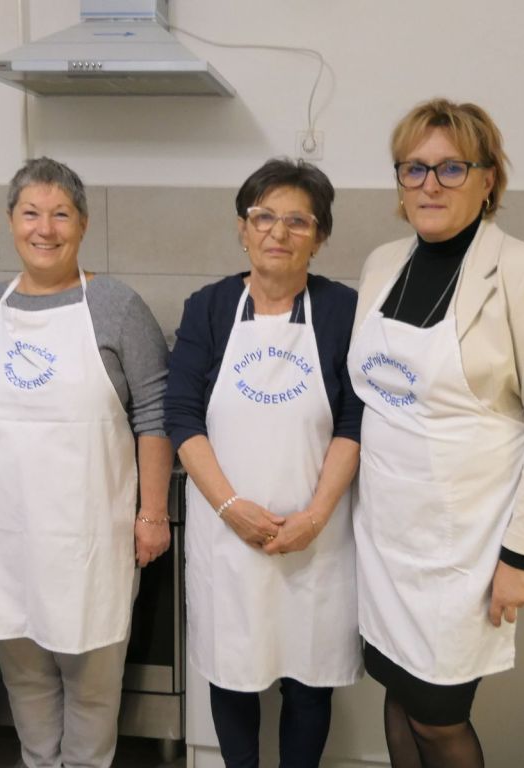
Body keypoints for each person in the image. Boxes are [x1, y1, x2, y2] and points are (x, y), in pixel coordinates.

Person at [348, 98, 524, 768]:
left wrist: (522, 559)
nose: (430, 184)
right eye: (414, 168)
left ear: (488, 180)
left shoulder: (523, 271)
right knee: (397, 690)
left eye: (451, 168)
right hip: (386, 535)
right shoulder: (382, 263)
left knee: (438, 717)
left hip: (465, 549)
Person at [0, 156, 173, 768]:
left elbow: (154, 414)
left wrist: (152, 513)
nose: (44, 229)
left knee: (93, 686)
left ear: (83, 224)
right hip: (3, 534)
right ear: (10, 220)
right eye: (31, 213)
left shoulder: (117, 306)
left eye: (61, 214)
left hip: (87, 535)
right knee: (24, 678)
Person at [165, 158, 363, 768]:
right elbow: (182, 417)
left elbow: (354, 423)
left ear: (320, 237)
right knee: (233, 672)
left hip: (316, 536)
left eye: (298, 221)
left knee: (309, 679)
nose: (278, 232)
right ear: (243, 228)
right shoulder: (209, 308)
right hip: (228, 533)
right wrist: (231, 507)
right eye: (263, 217)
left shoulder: (343, 311)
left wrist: (315, 515)